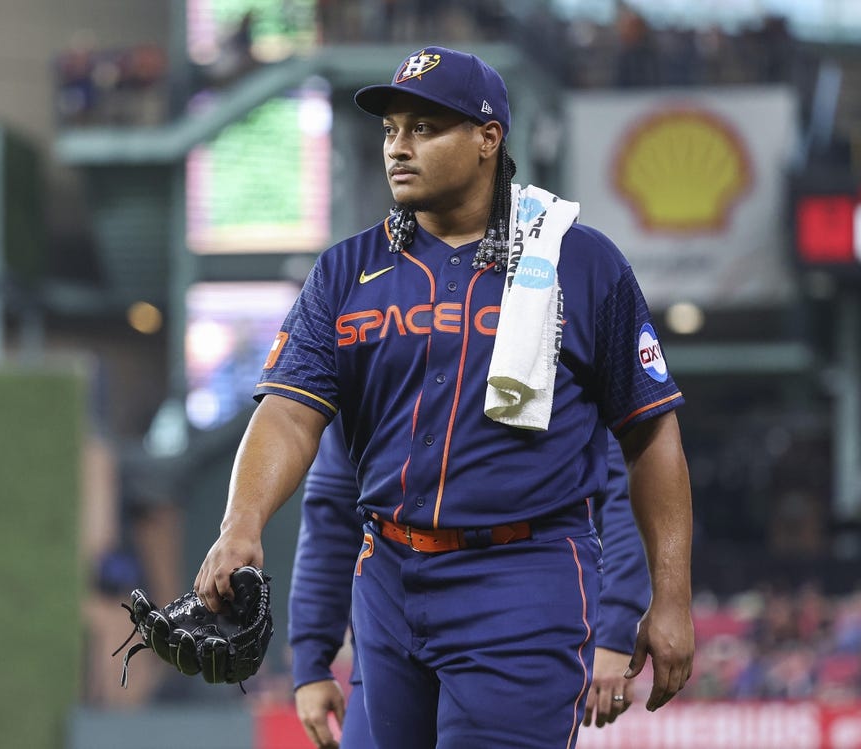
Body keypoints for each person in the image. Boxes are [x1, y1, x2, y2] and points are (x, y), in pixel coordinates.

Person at [195, 45, 695, 748]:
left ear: (489, 138)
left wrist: (668, 599)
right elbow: (290, 413)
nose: (399, 146)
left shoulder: (581, 264)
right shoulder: (346, 271)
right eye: (391, 129)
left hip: (522, 578)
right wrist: (240, 523)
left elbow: (650, 437)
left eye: (425, 128)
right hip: (390, 582)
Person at [291, 422, 651, 748]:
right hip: (388, 633)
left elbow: (626, 489)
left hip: (516, 620)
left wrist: (615, 631)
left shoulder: (555, 351)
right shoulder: (368, 353)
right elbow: (332, 507)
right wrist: (311, 661)